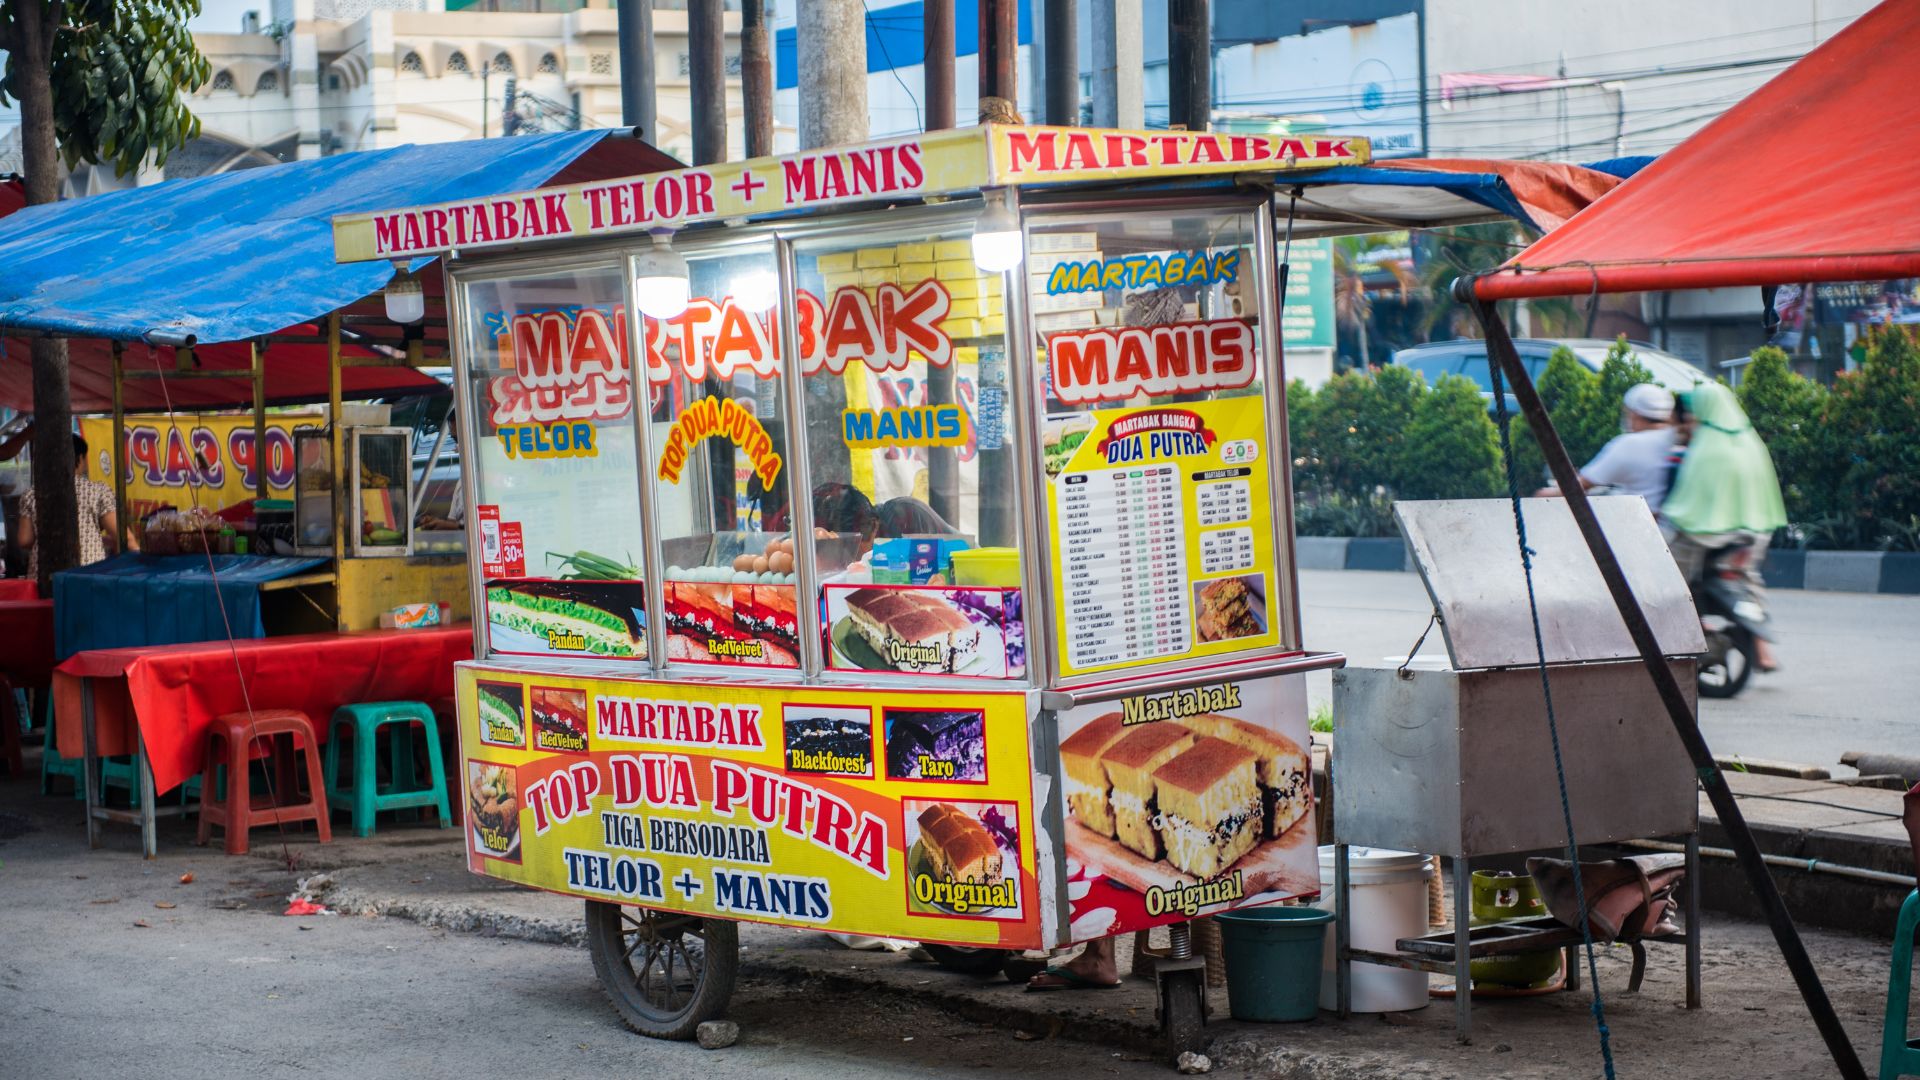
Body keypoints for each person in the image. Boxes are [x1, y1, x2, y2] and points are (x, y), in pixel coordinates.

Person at [1662, 382, 1787, 672]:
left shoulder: (1708, 445)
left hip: (1708, 534)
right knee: (1749, 581)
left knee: (1669, 581)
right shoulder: (1751, 441)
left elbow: (1686, 505)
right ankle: (1763, 650)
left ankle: (1684, 634)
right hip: (1754, 533)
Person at [1536, 382, 1677, 512]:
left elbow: (1579, 486)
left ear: (1634, 414)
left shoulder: (1630, 444)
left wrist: (1543, 495)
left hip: (1638, 523)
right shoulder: (1675, 437)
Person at [17, 433, 120, 580]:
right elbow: (121, 535)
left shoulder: (31, 494)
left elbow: (24, 540)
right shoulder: (98, 491)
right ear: (80, 458)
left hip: (43, 575)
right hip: (88, 575)